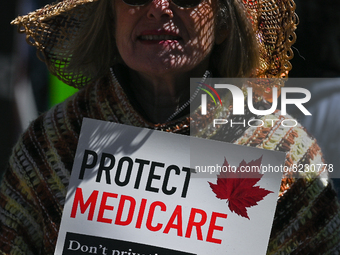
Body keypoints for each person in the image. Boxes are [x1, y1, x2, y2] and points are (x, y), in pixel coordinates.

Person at [1, 0, 339, 254]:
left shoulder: (285, 153)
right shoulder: (50, 144)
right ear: (110, 19)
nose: (158, 8)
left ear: (223, 24)